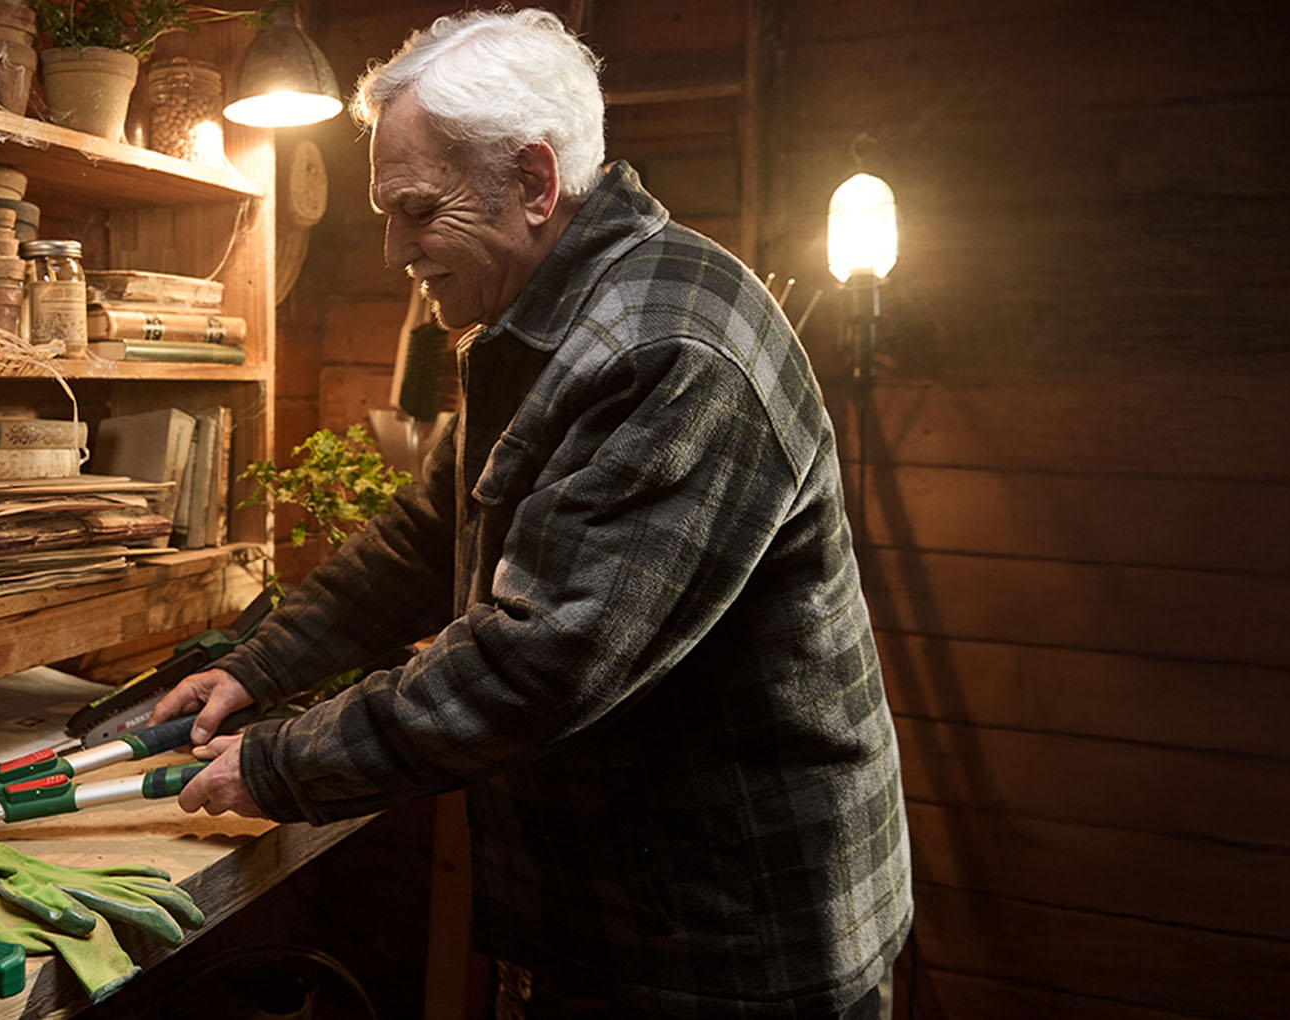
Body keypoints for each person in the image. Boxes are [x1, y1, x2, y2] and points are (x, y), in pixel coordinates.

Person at [145, 9, 911, 1018]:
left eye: (416, 209)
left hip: (733, 939)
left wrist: (282, 763)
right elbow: (427, 532)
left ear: (535, 184)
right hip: (629, 907)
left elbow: (539, 663)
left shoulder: (671, 351)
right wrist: (259, 668)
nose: (392, 250)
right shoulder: (546, 323)